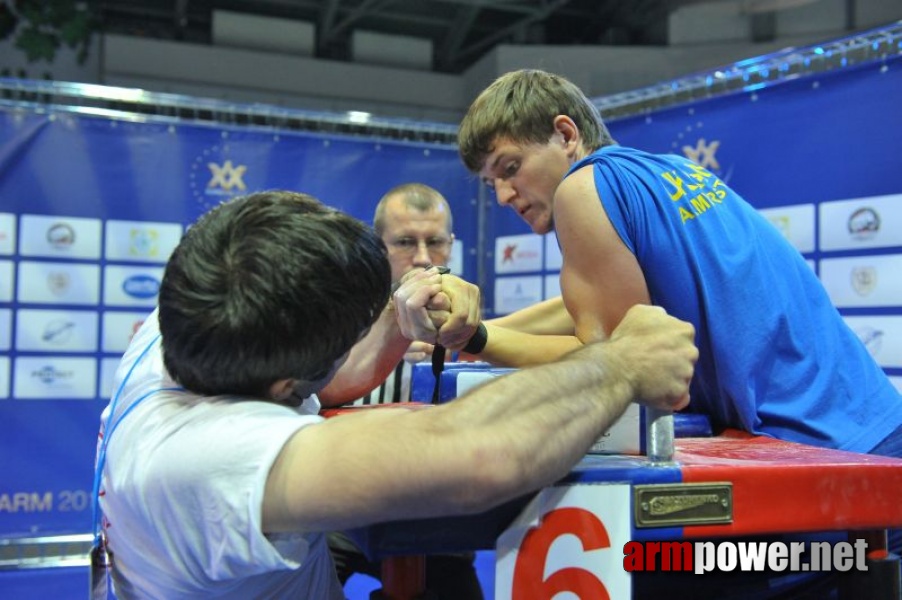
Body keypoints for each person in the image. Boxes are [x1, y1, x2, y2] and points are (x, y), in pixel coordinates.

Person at [94, 189, 698, 599]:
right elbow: (476, 453)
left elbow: (328, 377)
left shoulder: (193, 317)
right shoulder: (209, 460)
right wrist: (623, 363)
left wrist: (393, 322)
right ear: (283, 386)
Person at [455, 68, 902, 459]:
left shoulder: (582, 189)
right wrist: (482, 325)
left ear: (566, 135)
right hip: (878, 423)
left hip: (824, 458)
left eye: (510, 167)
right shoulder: (671, 171)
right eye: (491, 183)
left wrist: (478, 338)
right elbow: (593, 304)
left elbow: (615, 364)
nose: (503, 196)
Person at [327, 182, 485, 599]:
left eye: (434, 241)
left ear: (450, 245)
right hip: (339, 506)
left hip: (434, 513)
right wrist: (385, 340)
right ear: (379, 247)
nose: (420, 256)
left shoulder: (468, 315)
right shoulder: (337, 313)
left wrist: (469, 351)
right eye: (404, 242)